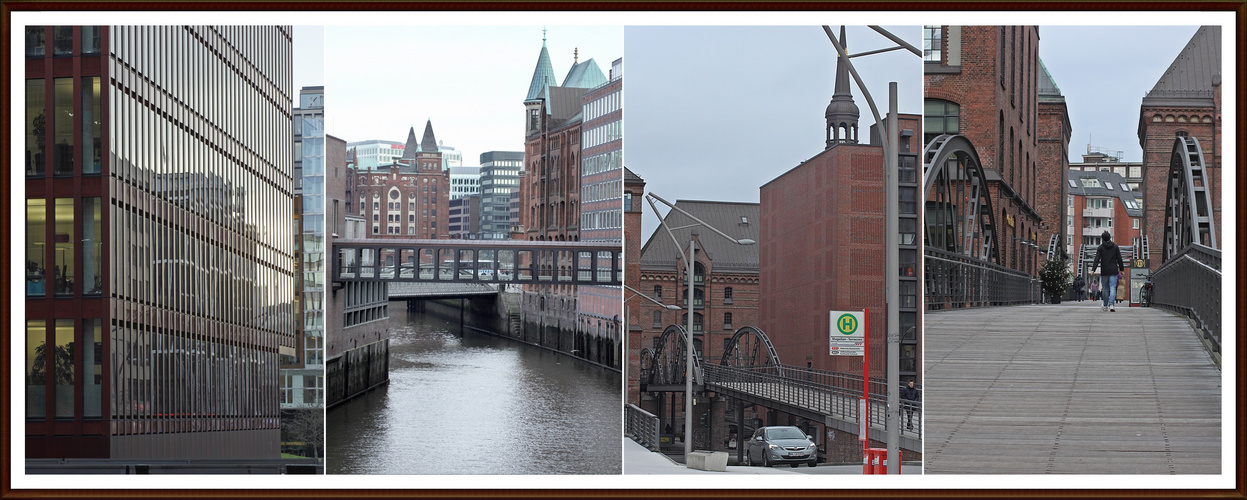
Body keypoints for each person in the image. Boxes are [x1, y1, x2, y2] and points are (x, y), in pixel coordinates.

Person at [1090, 230, 1125, 312]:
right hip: (1113, 270)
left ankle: (1105, 305)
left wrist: (1093, 269)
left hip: (1104, 270)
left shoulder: (1101, 248)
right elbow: (1119, 259)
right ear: (1110, 238)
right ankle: (1111, 305)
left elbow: (1097, 259)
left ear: (1102, 239)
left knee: (1105, 288)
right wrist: (1122, 269)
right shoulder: (1115, 247)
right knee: (1113, 287)